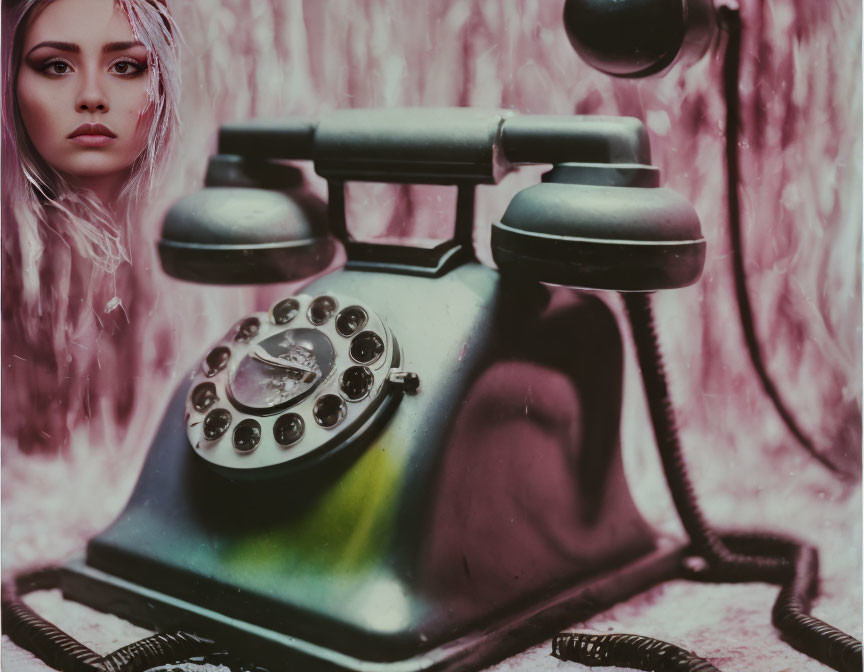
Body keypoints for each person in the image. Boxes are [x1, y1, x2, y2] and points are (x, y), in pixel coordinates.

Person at [1, 0, 180, 451]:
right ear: (10, 83)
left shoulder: (201, 287)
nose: (92, 96)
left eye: (125, 66)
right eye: (56, 66)